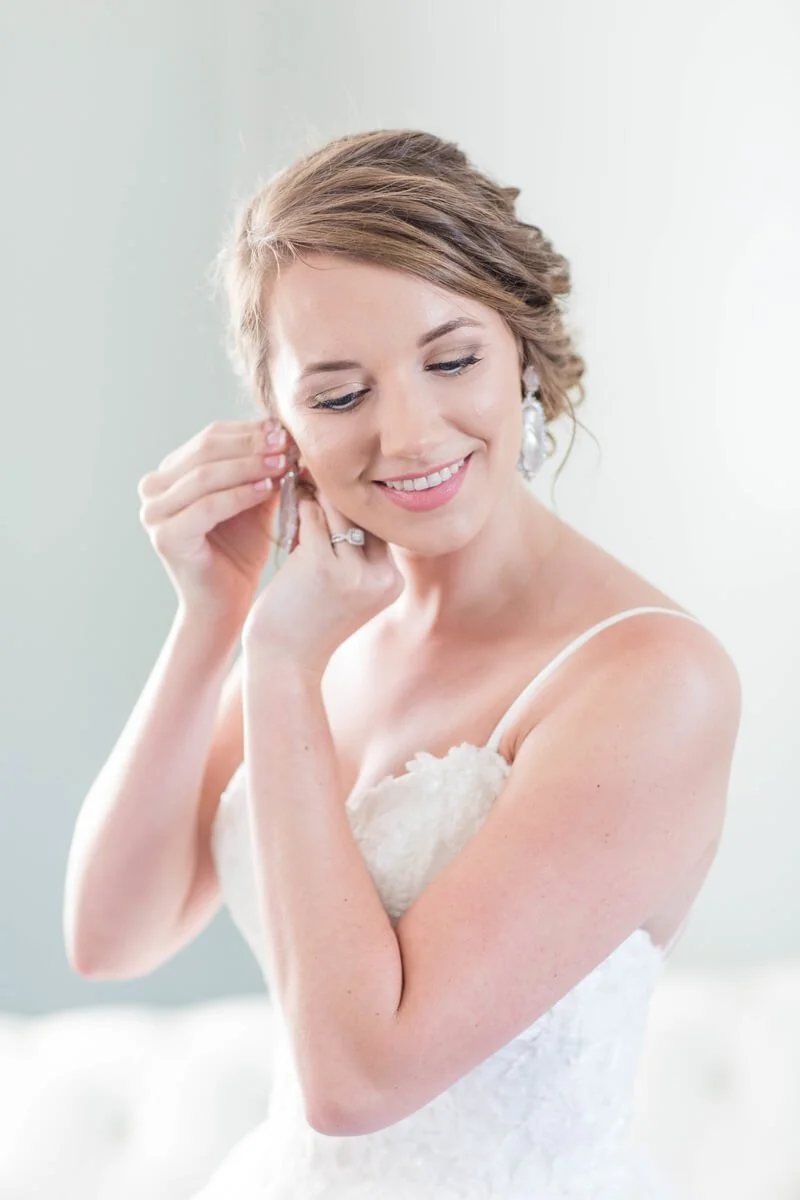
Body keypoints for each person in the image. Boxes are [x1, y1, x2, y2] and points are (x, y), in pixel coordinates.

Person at [64, 129, 741, 1198]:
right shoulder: (320, 630)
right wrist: (212, 617)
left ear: (523, 349)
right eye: (340, 397)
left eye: (452, 360)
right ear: (278, 424)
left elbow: (358, 1079)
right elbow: (111, 935)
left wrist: (279, 664)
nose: (412, 434)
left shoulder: (653, 680)